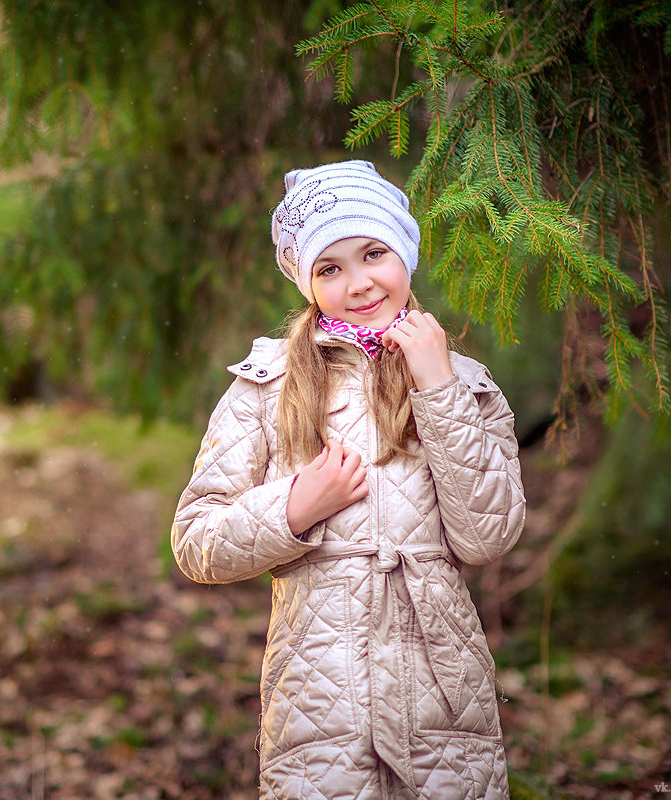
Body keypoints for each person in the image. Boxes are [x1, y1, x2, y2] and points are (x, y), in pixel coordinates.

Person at [171, 160, 525, 799]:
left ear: (405, 253)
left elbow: (486, 537)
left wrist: (437, 388)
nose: (359, 283)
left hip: (443, 700)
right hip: (320, 700)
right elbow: (196, 541)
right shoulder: (267, 387)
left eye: (373, 253)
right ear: (306, 283)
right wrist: (292, 509)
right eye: (329, 268)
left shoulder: (464, 383)